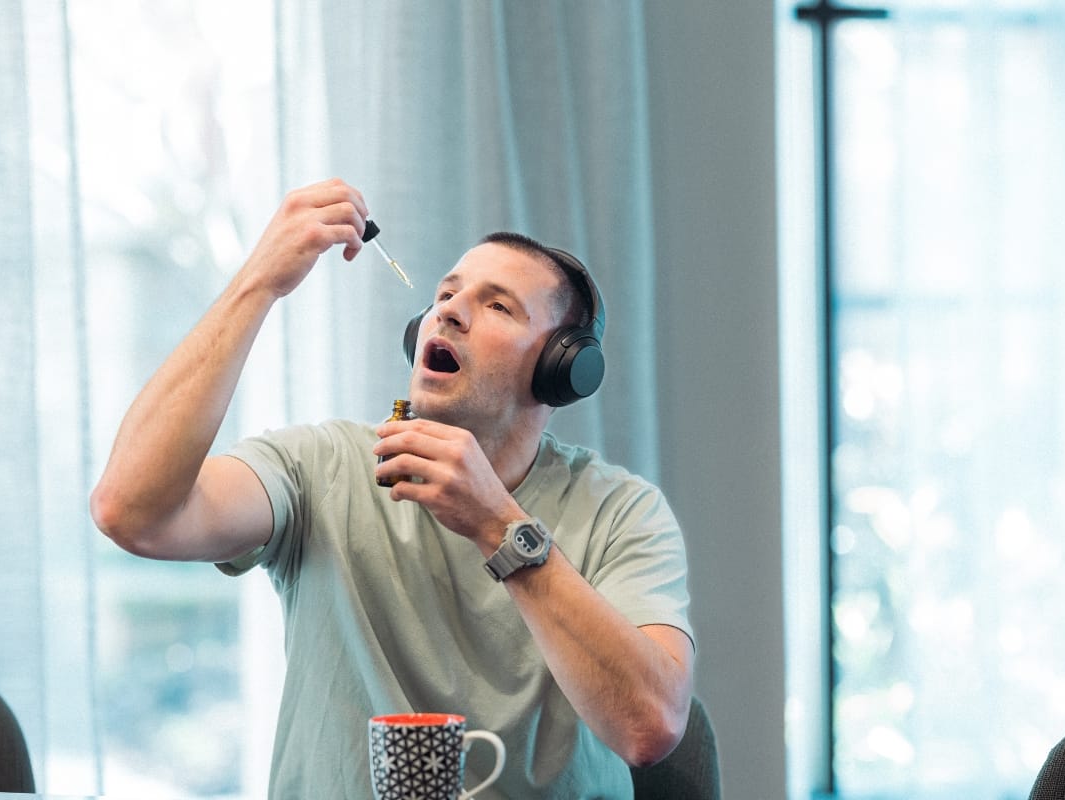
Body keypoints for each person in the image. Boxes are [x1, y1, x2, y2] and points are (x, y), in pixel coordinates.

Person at [90, 177, 695, 799]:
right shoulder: (319, 467)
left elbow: (649, 727)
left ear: (564, 368)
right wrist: (258, 283)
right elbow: (131, 513)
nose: (450, 310)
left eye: (498, 306)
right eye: (446, 294)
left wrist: (498, 526)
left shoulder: (621, 510)